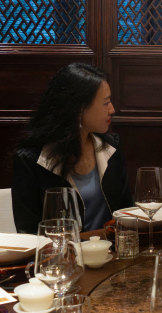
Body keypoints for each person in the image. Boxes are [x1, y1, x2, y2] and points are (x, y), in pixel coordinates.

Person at [12, 63, 133, 233]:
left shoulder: (111, 148)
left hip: (110, 253)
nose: (112, 109)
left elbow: (127, 213)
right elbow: (29, 233)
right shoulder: (31, 161)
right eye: (106, 103)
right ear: (78, 109)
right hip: (61, 257)